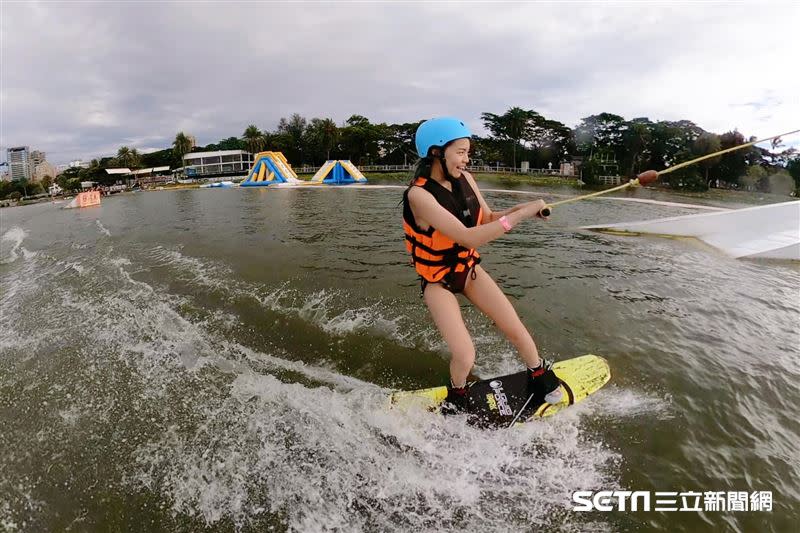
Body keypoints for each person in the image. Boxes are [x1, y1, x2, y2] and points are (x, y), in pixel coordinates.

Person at [402, 117, 562, 414]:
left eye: (467, 152)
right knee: (465, 355)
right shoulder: (418, 195)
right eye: (461, 151)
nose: (466, 158)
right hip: (438, 281)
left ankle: (538, 373)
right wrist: (521, 215)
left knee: (515, 328)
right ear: (437, 152)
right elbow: (468, 236)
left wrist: (525, 211)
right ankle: (457, 394)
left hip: (468, 270)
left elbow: (487, 218)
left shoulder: (466, 179)